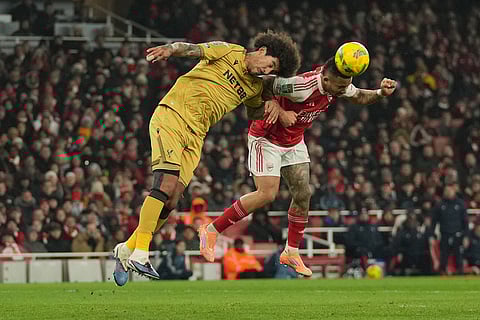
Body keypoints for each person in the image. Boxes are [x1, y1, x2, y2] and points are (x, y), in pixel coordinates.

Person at [112, 31, 302, 285]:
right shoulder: (229, 51)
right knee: (164, 184)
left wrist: (274, 108)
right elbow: (193, 49)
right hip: (172, 115)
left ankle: (125, 250)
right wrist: (170, 49)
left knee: (172, 200)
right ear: (263, 50)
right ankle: (141, 253)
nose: (267, 70)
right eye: (271, 65)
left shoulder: (255, 86)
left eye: (273, 71)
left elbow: (254, 111)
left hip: (197, 134)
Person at [199, 57, 397, 276]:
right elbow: (260, 84)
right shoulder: (301, 86)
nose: (342, 91)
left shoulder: (337, 85)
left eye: (345, 86)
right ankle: (211, 229)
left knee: (303, 194)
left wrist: (380, 93)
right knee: (267, 194)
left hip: (294, 141)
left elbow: (358, 95)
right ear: (325, 78)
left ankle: (291, 251)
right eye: (339, 87)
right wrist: (279, 110)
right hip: (266, 138)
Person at [431, 185, 469, 275]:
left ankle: (460, 273)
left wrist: (466, 236)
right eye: (446, 190)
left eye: (450, 190)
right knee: (443, 255)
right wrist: (432, 235)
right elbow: (434, 222)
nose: (448, 192)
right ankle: (442, 272)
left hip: (458, 234)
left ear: (454, 191)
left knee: (459, 256)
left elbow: (465, 222)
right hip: (444, 234)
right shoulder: (440, 205)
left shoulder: (460, 204)